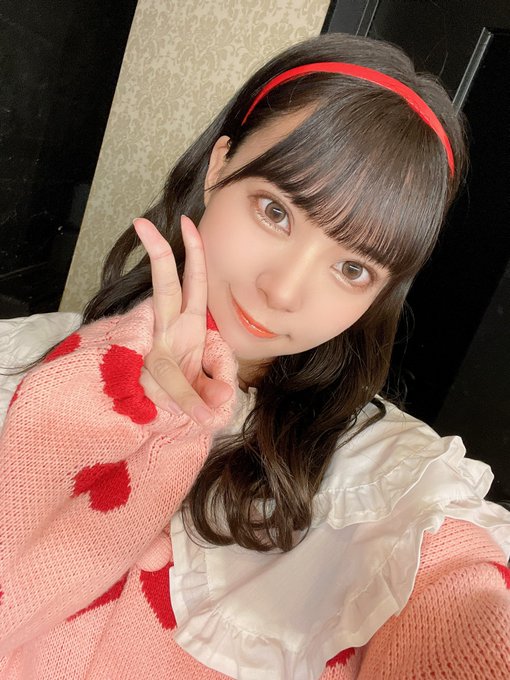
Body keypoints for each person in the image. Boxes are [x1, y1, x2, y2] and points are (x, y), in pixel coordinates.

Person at [0, 32, 509, 680]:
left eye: (352, 268)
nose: (284, 291)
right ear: (219, 166)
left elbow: (463, 600)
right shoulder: (27, 356)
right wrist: (119, 406)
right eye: (276, 212)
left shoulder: (388, 480)